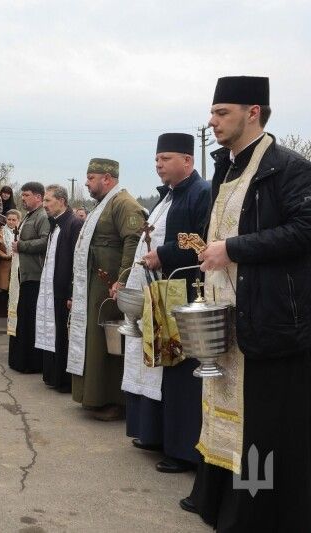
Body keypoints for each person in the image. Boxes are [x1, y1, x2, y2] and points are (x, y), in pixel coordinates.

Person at [182, 76, 311, 532]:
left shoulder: (288, 167)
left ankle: (256, 515)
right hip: (228, 316)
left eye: (222, 112)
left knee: (261, 430)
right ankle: (221, 505)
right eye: (212, 113)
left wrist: (232, 249)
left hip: (268, 319)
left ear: (253, 112)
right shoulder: (227, 167)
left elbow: (304, 231)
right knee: (224, 415)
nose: (212, 121)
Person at [120, 133, 210, 474]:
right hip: (161, 294)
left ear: (187, 161)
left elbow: (204, 241)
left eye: (166, 159)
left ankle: (184, 450)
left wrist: (165, 254)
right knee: (161, 367)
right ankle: (156, 435)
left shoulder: (201, 194)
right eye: (157, 159)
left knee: (182, 373)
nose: (158, 164)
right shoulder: (166, 198)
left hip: (187, 295)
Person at [67, 158, 145, 421]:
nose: (87, 183)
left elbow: (133, 241)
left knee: (109, 343)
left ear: (107, 179)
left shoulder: (124, 203)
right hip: (94, 284)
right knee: (94, 340)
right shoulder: (103, 204)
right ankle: (93, 396)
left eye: (91, 178)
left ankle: (113, 400)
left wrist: (122, 280)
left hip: (109, 287)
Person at [35, 184, 83, 392]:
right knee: (51, 330)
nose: (44, 205)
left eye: (48, 200)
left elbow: (78, 261)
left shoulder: (74, 224)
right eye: (44, 200)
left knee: (63, 333)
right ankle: (52, 375)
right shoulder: (55, 224)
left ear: (61, 201)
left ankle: (64, 379)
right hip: (51, 289)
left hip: (64, 291)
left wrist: (72, 291)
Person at [8, 182, 50, 373]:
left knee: (31, 321)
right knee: (23, 319)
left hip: (35, 276)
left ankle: (32, 363)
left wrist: (22, 246)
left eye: (26, 195)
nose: (23, 198)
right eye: (22, 195)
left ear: (38, 197)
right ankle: (21, 360)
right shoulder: (29, 215)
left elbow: (45, 241)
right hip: (24, 276)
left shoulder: (42, 216)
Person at [0, 209, 21, 291]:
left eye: (14, 220)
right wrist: (5, 255)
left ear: (18, 220)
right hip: (4, 265)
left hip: (19, 266)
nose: (11, 222)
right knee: (4, 293)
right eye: (9, 219)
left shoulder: (22, 232)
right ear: (6, 219)